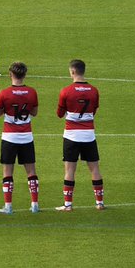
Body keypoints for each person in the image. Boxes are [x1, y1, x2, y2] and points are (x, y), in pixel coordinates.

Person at [56, 59, 103, 211]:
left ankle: (68, 205)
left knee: (69, 170)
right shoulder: (94, 90)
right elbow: (94, 110)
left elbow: (59, 114)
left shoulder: (66, 91)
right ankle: (99, 203)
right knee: (94, 168)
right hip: (89, 135)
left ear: (73, 71)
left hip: (71, 136)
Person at [0, 61, 39, 214]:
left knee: (7, 171)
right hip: (26, 136)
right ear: (24, 74)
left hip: (9, 137)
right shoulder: (32, 92)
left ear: (10, 74)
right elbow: (34, 112)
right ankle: (34, 204)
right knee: (31, 171)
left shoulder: (4, 93)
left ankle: (8, 206)